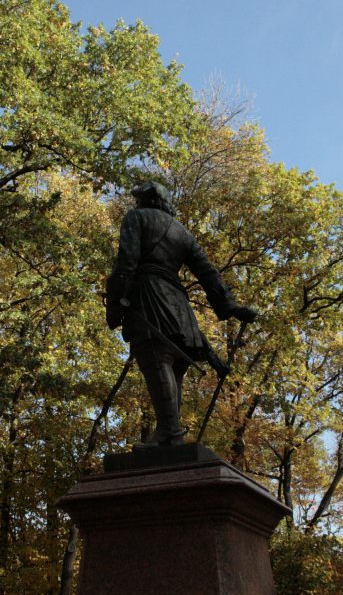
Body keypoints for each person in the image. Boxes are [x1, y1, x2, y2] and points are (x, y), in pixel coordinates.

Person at [106, 181, 257, 446]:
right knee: (174, 369)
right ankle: (168, 433)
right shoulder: (184, 234)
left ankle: (170, 433)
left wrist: (116, 303)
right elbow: (208, 272)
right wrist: (229, 306)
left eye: (139, 199)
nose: (136, 204)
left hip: (150, 297)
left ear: (146, 201)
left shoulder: (136, 218)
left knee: (156, 359)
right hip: (179, 307)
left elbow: (126, 262)